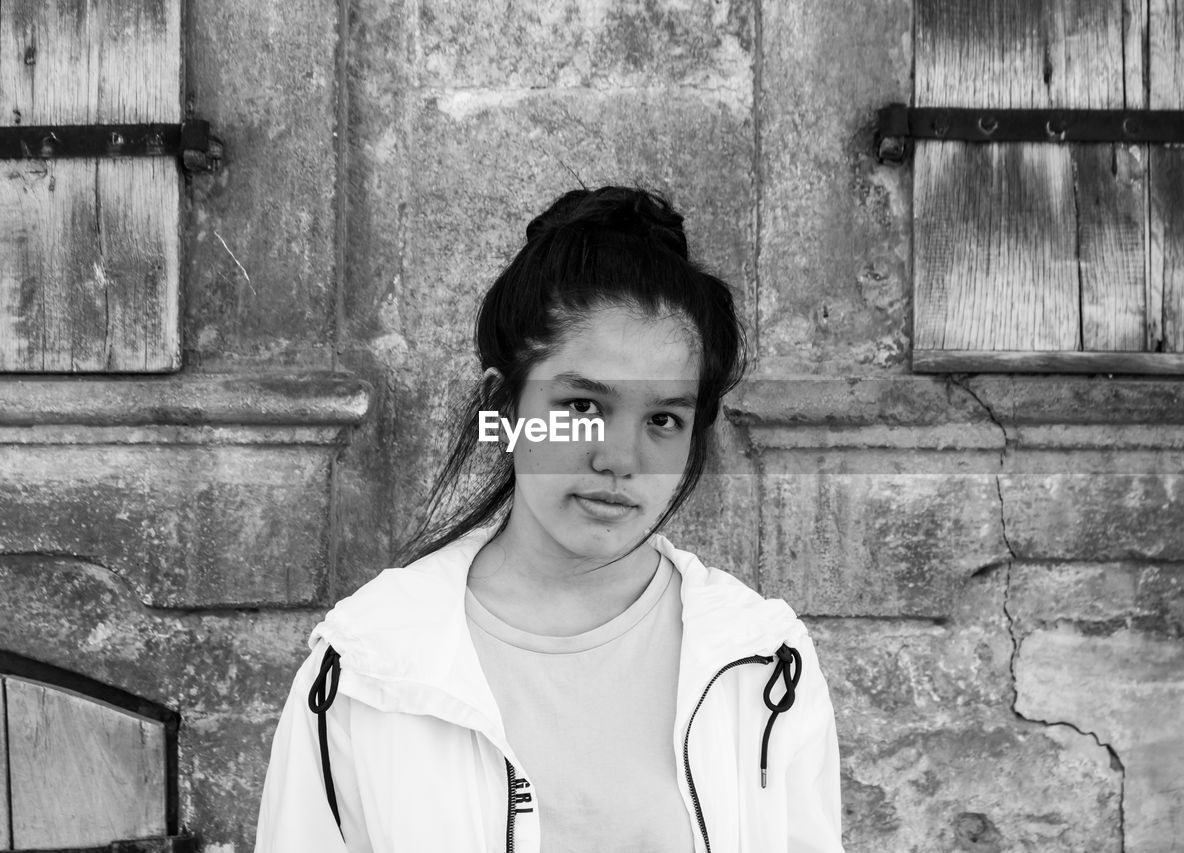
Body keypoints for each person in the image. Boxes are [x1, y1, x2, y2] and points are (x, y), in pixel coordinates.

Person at [254, 186, 843, 852]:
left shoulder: (765, 664)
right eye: (583, 406)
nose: (620, 458)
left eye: (663, 419)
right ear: (503, 407)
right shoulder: (365, 669)